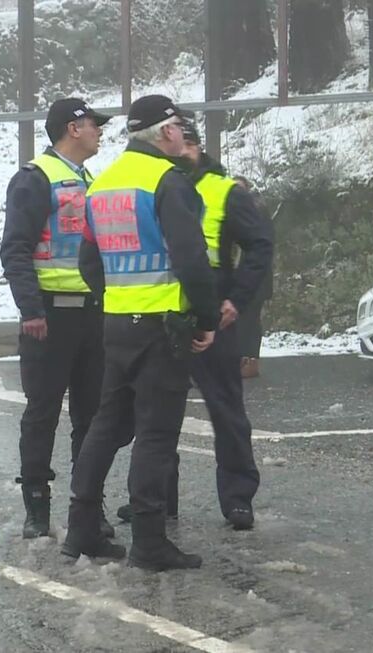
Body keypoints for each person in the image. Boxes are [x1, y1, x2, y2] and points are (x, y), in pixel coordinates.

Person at [61, 94, 220, 571]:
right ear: (167, 132)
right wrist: (207, 319)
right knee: (156, 432)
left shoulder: (104, 184)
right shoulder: (167, 182)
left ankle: (81, 527)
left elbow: (89, 262)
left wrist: (117, 297)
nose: (183, 135)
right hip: (162, 326)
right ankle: (149, 542)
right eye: (180, 128)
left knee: (106, 424)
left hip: (117, 324)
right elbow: (192, 259)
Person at [115, 114, 274, 531]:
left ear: (198, 147)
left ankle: (238, 498)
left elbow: (259, 246)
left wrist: (237, 299)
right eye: (175, 145)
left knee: (225, 407)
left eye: (186, 146)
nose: (179, 153)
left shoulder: (224, 191)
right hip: (165, 307)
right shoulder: (156, 183)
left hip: (211, 306)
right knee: (156, 413)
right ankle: (156, 500)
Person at [0, 98, 113, 540]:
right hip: (49, 317)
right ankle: (37, 506)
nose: (99, 131)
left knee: (92, 418)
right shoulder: (35, 179)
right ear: (73, 128)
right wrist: (31, 309)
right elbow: (15, 249)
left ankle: (88, 508)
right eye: (93, 124)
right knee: (42, 414)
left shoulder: (90, 180)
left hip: (92, 315)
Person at [232, 175, 274, 379]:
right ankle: (243, 360)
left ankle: (250, 361)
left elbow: (261, 246)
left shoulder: (255, 210)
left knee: (249, 319)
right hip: (245, 276)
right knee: (242, 319)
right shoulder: (247, 209)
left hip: (256, 277)